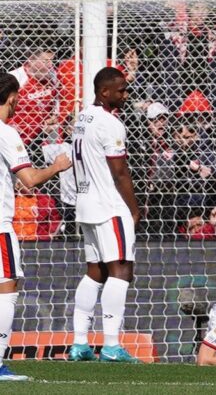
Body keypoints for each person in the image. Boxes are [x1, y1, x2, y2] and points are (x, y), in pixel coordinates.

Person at [0, 72, 72, 381]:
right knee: (7, 289)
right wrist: (56, 167)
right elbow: (28, 180)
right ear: (13, 98)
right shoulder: (6, 133)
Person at [68, 67, 142, 363]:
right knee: (122, 270)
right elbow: (120, 171)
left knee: (95, 272)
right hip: (110, 205)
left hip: (86, 204)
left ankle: (79, 343)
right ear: (104, 92)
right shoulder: (111, 124)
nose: (126, 94)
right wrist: (133, 209)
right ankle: (111, 345)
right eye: (121, 90)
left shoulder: (83, 116)